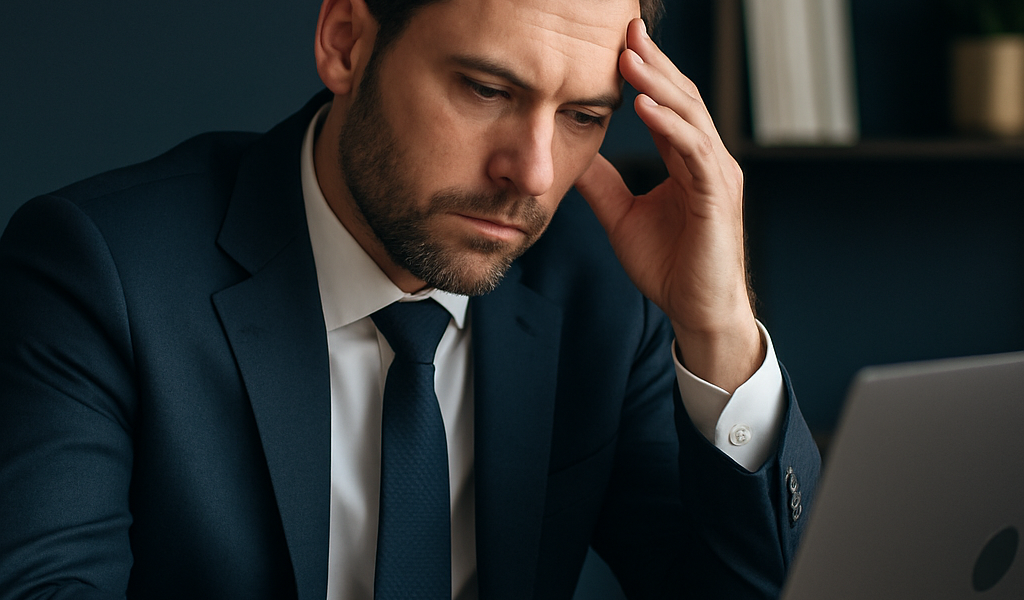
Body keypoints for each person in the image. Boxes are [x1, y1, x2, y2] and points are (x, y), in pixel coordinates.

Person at [0, 0, 821, 598]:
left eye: (582, 115)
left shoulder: (602, 288)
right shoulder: (100, 271)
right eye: (487, 90)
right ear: (346, 42)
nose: (533, 173)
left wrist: (719, 329)